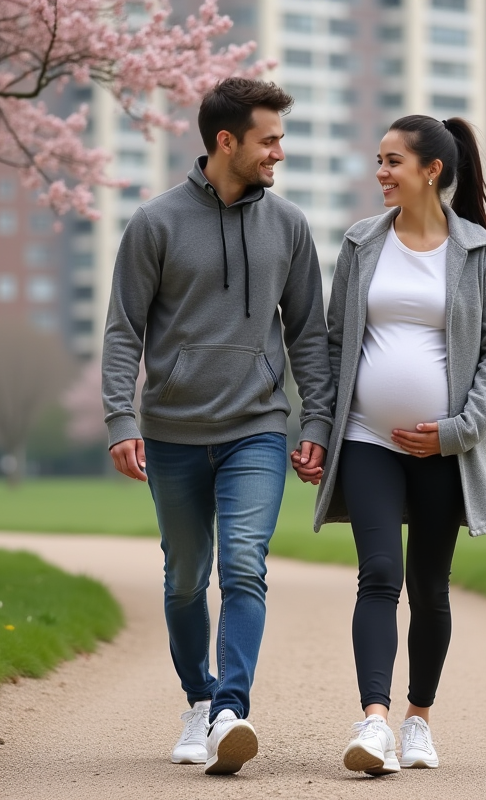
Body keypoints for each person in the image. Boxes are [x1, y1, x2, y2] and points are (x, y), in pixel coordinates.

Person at [102, 78, 333, 776]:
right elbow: (123, 331)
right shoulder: (155, 223)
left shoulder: (289, 226)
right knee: (183, 578)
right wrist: (120, 417)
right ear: (225, 141)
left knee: (242, 567)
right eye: (269, 139)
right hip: (172, 431)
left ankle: (232, 708)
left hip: (256, 428)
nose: (279, 153)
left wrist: (316, 418)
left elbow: (310, 337)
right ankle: (198, 701)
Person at [307, 115, 486, 774]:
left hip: (443, 448)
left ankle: (419, 720)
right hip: (367, 438)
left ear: (433, 169)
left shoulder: (479, 252)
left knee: (429, 587)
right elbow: (334, 344)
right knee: (380, 576)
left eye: (393, 161)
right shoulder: (362, 243)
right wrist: (318, 428)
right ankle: (374, 723)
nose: (380, 172)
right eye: (379, 160)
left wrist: (456, 431)